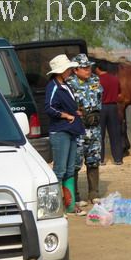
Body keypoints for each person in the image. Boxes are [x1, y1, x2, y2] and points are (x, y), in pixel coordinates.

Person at [44, 54, 84, 213]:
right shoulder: (53, 86)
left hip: (71, 130)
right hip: (60, 131)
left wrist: (75, 112)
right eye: (67, 68)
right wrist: (66, 115)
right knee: (59, 170)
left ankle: (70, 205)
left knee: (69, 169)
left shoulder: (65, 85)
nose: (70, 71)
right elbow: (49, 108)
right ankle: (55, 207)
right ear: (60, 71)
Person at [68, 53, 103, 204]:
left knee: (93, 159)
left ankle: (93, 193)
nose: (88, 69)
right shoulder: (69, 83)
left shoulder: (95, 80)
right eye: (84, 67)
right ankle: (75, 196)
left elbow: (100, 98)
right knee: (76, 162)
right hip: (79, 129)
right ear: (76, 69)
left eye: (89, 66)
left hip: (94, 128)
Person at [94, 59, 123, 165]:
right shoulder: (115, 79)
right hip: (113, 107)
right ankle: (118, 159)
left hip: (101, 108)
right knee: (115, 134)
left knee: (99, 134)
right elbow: (119, 92)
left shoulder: (96, 81)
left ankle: (101, 159)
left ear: (98, 69)